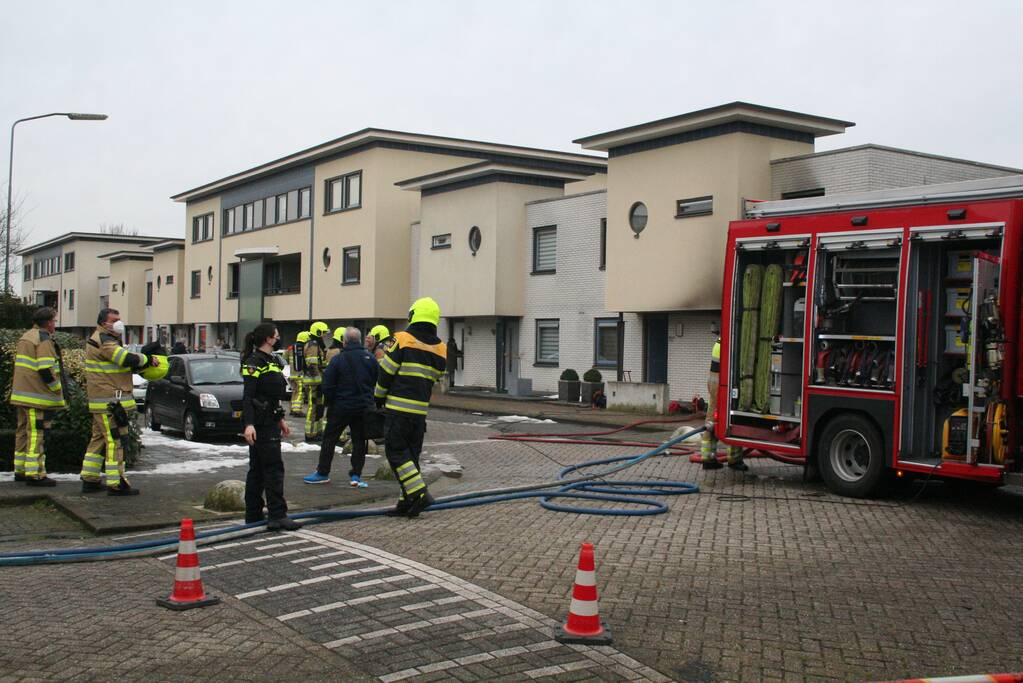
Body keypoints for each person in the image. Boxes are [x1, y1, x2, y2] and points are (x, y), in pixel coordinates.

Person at [374, 297, 446, 518]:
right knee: (411, 456)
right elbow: (437, 377)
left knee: (395, 452)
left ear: (414, 315)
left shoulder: (402, 339)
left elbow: (386, 371)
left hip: (398, 410)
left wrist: (378, 397)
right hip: (419, 413)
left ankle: (419, 493)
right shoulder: (441, 348)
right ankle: (407, 504)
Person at [81, 308, 155, 495]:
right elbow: (124, 358)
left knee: (98, 439)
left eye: (119, 319)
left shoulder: (105, 338)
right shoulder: (105, 340)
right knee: (115, 440)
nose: (118, 323)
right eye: (114, 320)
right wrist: (148, 359)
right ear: (103, 322)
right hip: (110, 401)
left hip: (104, 400)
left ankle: (90, 479)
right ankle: (117, 483)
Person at [241, 323, 300, 531]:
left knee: (258, 469)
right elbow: (248, 396)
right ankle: (277, 515)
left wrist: (280, 419)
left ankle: (255, 515)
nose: (278, 339)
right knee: (272, 470)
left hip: (270, 422)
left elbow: (272, 395)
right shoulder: (254, 362)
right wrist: (249, 424)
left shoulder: (272, 361)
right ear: (268, 339)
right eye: (276, 336)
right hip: (261, 425)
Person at [304, 327, 378, 487]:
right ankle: (356, 475)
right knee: (359, 441)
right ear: (359, 340)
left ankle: (323, 472)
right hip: (363, 407)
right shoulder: (370, 358)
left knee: (329, 439)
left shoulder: (338, 359)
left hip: (341, 407)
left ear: (344, 341)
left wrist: (331, 402)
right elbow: (375, 381)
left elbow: (327, 384)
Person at [9, 307, 66, 486]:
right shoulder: (43, 339)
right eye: (54, 321)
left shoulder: (26, 336)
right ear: (48, 322)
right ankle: (35, 474)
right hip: (38, 397)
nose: (55, 324)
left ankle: (21, 470)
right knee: (37, 434)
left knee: (22, 432)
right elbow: (46, 369)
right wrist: (57, 389)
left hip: (22, 394)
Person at [701, 337, 747, 471]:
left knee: (711, 422)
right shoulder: (733, 339)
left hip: (715, 384)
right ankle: (735, 459)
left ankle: (708, 459)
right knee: (733, 420)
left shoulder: (718, 342)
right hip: (726, 384)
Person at [303, 321, 330, 442]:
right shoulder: (313, 344)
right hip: (313, 382)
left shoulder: (317, 344)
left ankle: (317, 432)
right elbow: (312, 364)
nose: (324, 336)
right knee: (312, 408)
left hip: (318, 382)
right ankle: (310, 434)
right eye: (323, 333)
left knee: (319, 408)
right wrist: (319, 377)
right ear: (318, 333)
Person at [289, 331, 309, 416]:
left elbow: (284, 358)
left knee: (294, 392)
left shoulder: (290, 348)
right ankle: (297, 411)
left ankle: (292, 409)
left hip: (292, 374)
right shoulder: (304, 348)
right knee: (300, 392)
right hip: (300, 374)